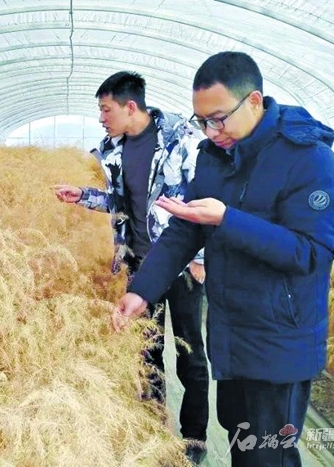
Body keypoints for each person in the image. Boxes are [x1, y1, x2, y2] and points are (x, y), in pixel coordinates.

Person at [112, 52, 334, 467]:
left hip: (279, 341)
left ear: (254, 101)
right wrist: (141, 290)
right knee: (241, 442)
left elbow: (312, 252)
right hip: (232, 336)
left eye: (219, 118)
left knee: (269, 455)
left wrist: (227, 218)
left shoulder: (308, 158)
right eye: (202, 121)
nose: (211, 131)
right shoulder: (213, 156)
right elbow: (187, 229)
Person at [54, 71, 209, 464]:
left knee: (190, 352)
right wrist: (85, 196)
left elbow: (207, 199)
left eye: (106, 110)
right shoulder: (113, 149)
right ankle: (154, 425)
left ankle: (194, 438)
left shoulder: (182, 141)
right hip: (141, 266)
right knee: (147, 350)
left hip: (183, 265)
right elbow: (122, 203)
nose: (102, 118)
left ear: (130, 106)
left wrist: (201, 259)